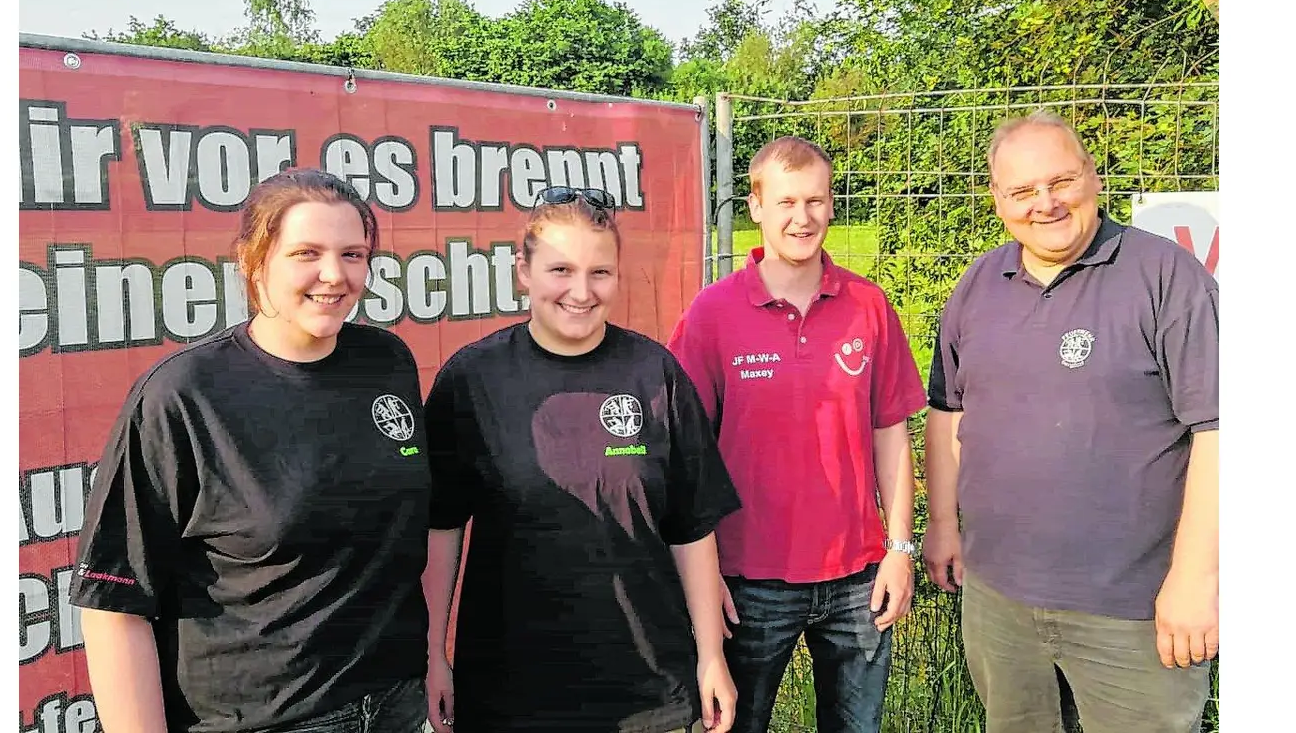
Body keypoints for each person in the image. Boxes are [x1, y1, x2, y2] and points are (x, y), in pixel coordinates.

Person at [69, 168, 431, 733]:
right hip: (260, 719)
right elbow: (114, 604)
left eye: (353, 254)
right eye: (306, 253)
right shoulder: (184, 394)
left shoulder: (386, 362)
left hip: (394, 704)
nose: (333, 276)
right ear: (255, 260)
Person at [922, 111, 1219, 733]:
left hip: (1132, 610)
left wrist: (1197, 580)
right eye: (1023, 191)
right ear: (997, 200)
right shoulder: (979, 283)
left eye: (1062, 181)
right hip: (999, 601)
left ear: (1094, 177)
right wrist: (944, 525)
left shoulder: (1166, 278)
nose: (1046, 204)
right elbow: (949, 412)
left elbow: (1220, 431)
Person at [421, 185, 742, 733]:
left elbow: (691, 528)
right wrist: (432, 656)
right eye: (560, 270)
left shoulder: (654, 373)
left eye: (600, 273)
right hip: (510, 692)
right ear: (522, 270)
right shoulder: (472, 380)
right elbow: (440, 528)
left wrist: (710, 656)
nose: (581, 291)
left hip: (648, 688)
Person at [665, 136, 928, 733]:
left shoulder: (868, 305)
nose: (801, 218)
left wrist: (899, 549)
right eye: (785, 201)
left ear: (832, 206)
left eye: (815, 200)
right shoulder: (712, 313)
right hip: (748, 579)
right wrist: (705, 583)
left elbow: (891, 431)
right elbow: (685, 457)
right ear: (756, 206)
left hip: (860, 577)